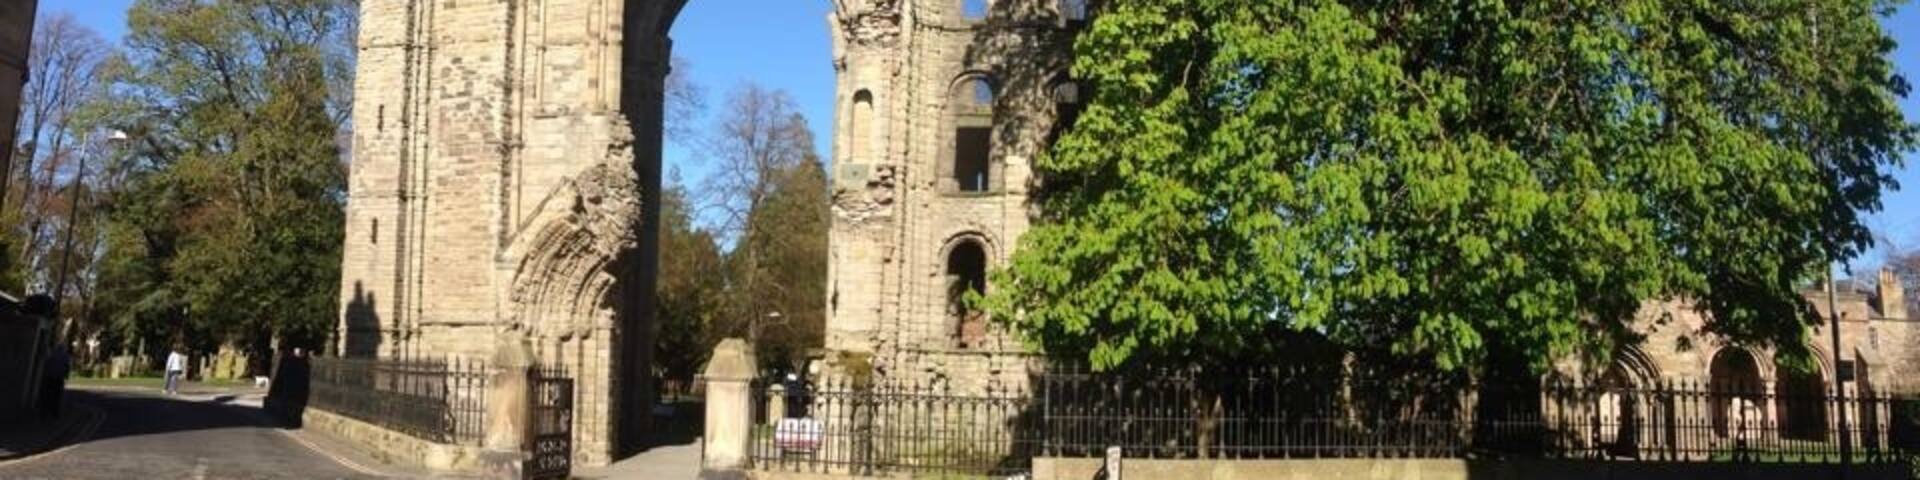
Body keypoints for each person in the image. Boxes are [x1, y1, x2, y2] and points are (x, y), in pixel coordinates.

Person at [39, 342, 70, 418]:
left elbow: (47, 364)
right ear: (64, 349)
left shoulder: (52, 354)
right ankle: (54, 413)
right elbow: (67, 367)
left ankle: (45, 412)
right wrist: (66, 376)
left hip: (50, 377)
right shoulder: (65, 356)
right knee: (57, 396)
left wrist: (45, 374)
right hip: (59, 378)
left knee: (48, 395)